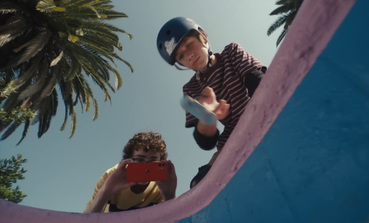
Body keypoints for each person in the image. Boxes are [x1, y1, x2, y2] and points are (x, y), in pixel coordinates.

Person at [157, 17, 267, 188]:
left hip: (259, 109)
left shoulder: (231, 52)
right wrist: (207, 118)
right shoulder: (191, 90)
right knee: (203, 180)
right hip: (233, 134)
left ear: (203, 36)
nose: (189, 55)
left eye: (188, 44)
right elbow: (206, 143)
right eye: (181, 56)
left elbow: (258, 81)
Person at [84, 132, 177, 213]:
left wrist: (169, 195)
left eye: (153, 161)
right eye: (140, 160)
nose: (146, 167)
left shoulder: (161, 184)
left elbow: (172, 218)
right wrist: (107, 191)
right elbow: (87, 219)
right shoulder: (111, 176)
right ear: (128, 160)